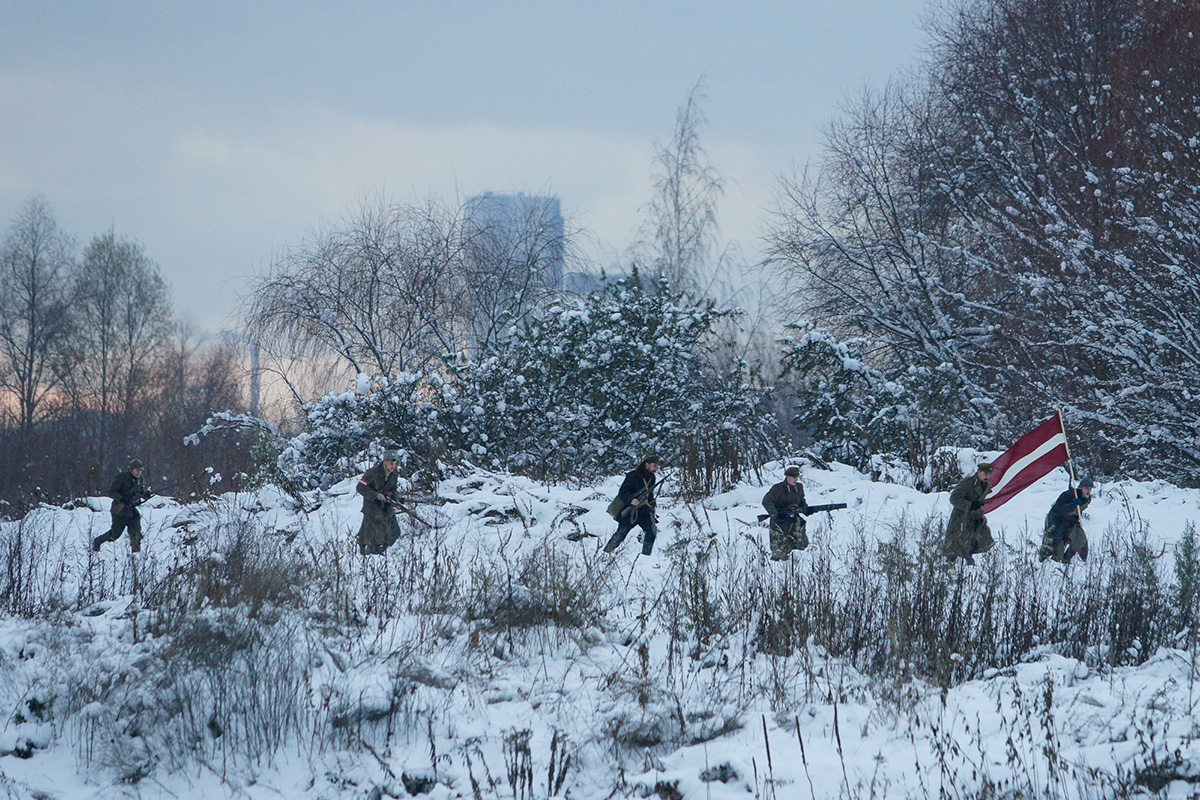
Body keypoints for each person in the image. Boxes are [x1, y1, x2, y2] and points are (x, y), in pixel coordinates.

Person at [604, 453, 660, 556]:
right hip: (630, 511)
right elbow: (623, 493)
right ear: (647, 464)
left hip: (643, 511)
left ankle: (646, 556)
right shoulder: (633, 476)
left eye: (657, 466)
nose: (656, 469)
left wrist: (653, 505)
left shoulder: (652, 478)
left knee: (651, 530)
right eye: (654, 465)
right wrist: (631, 500)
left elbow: (649, 494)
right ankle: (606, 553)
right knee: (621, 534)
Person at [93, 459, 150, 553]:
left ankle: (135, 555)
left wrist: (145, 494)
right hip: (120, 511)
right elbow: (110, 492)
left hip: (132, 511)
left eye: (140, 470)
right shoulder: (122, 479)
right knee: (115, 535)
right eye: (136, 470)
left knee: (135, 533)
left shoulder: (140, 480)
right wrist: (122, 499)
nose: (138, 472)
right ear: (130, 469)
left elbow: (139, 492)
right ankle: (98, 541)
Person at [944, 462, 995, 565]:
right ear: (979, 472)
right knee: (955, 540)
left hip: (974, 516)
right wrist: (970, 505)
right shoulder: (967, 483)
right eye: (985, 474)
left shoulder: (986, 485)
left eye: (989, 474)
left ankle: (969, 559)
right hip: (960, 516)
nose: (988, 477)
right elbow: (954, 499)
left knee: (976, 538)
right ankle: (950, 563)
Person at [357, 450, 403, 555]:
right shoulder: (372, 473)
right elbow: (360, 487)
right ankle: (371, 554)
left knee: (395, 531)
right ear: (385, 462)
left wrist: (396, 502)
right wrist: (376, 495)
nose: (393, 465)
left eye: (395, 463)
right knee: (376, 533)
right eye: (391, 463)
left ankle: (380, 550)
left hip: (385, 506)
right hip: (372, 507)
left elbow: (393, 489)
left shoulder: (394, 473)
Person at [1039, 478, 1093, 564]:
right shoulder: (1069, 495)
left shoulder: (1087, 499)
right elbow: (1057, 509)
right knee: (1054, 548)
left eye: (1090, 489)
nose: (1088, 491)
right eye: (1086, 488)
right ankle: (1045, 564)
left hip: (1070, 522)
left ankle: (1067, 560)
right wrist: (1071, 505)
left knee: (1080, 539)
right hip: (1056, 522)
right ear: (1080, 488)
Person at [763, 465, 809, 561]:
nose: (795, 479)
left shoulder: (799, 488)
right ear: (787, 477)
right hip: (780, 522)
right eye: (793, 477)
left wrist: (804, 507)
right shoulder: (778, 488)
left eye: (797, 477)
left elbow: (801, 500)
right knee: (780, 550)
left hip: (794, 521)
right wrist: (774, 513)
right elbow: (767, 501)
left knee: (799, 546)